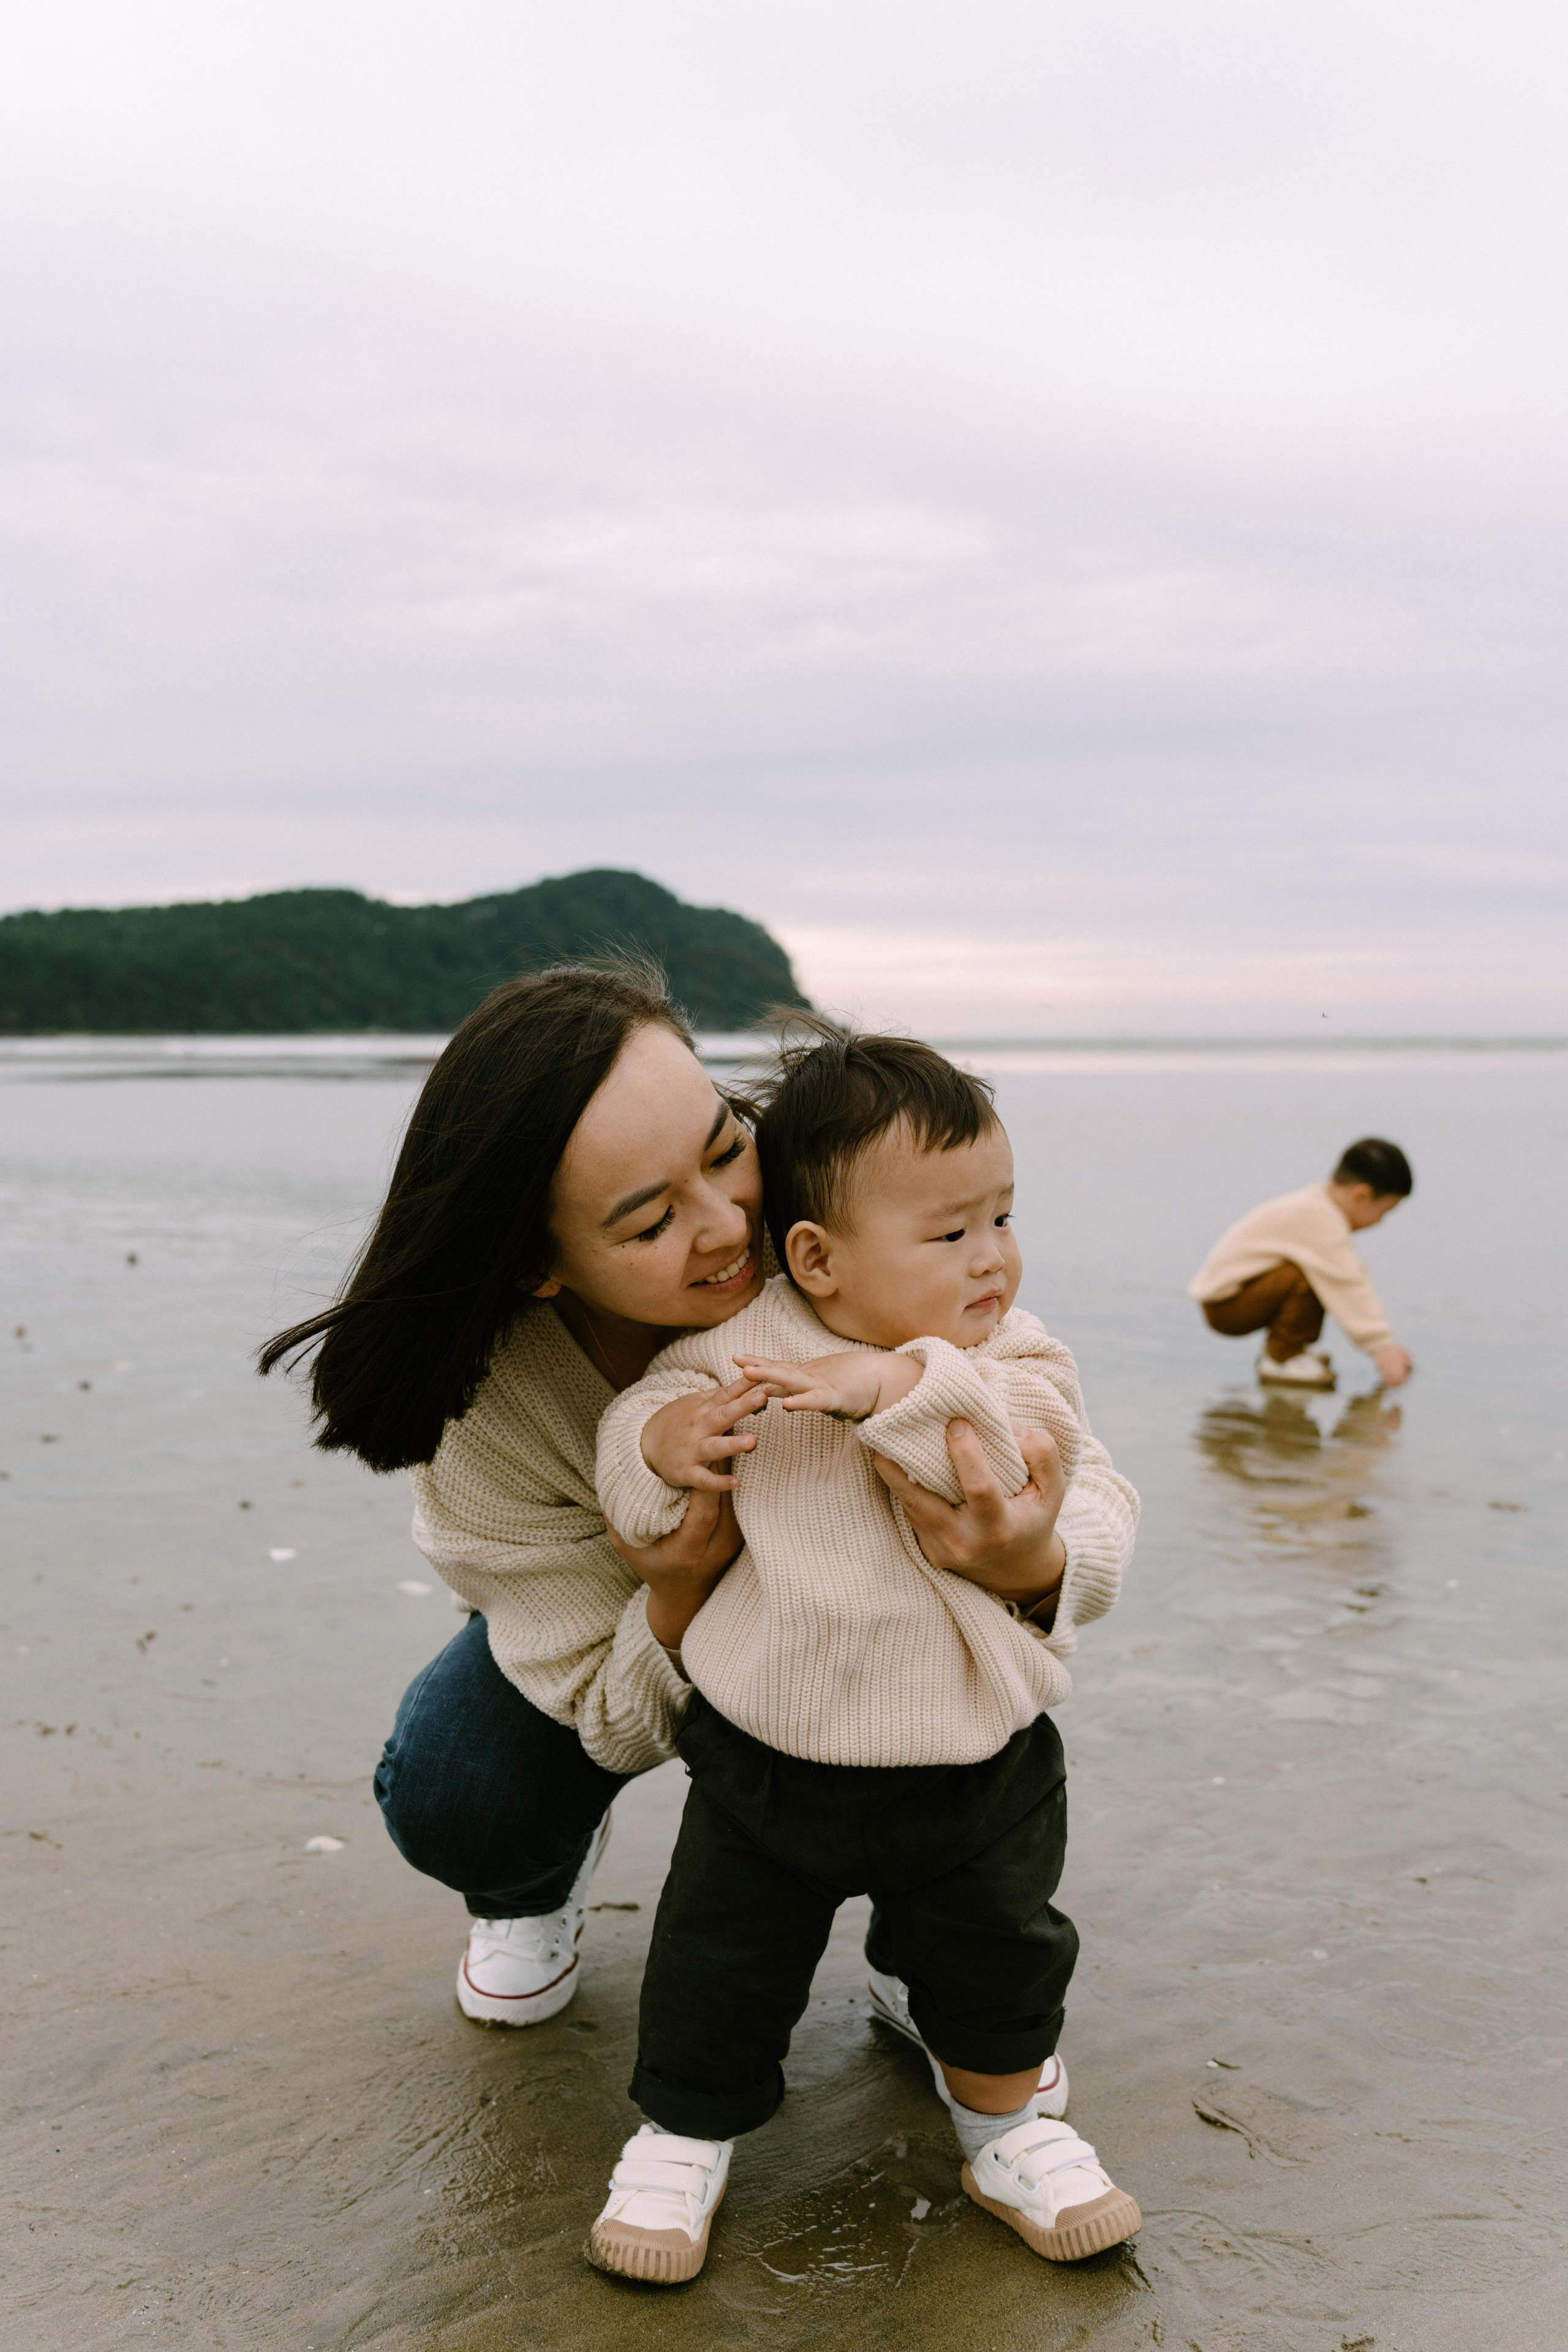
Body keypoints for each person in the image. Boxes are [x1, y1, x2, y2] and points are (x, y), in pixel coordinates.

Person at [258, 963, 1136, 2103]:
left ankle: (935, 1963)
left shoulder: (838, 1217)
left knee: (968, 1809)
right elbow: (602, 1707)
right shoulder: (486, 1421)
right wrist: (675, 1595)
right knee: (456, 1787)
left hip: (874, 1644)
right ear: (534, 1261)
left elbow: (1068, 1446)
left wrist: (1038, 1566)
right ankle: (532, 1892)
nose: (730, 1229)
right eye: (650, 1218)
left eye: (726, 1151)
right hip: (636, 1633)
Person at [585, 1027, 1141, 2283]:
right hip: (767, 1759)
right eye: (949, 1234)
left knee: (1000, 1958)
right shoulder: (742, 1352)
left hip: (971, 1763)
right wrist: (663, 1439)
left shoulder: (1011, 1357)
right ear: (816, 1257)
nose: (991, 1257)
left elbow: (1025, 1458)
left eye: (1002, 1216)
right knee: (715, 1966)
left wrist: (891, 1381)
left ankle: (1008, 2128)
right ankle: (682, 2138)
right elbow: (625, 1436)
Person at [1188, 1137, 1415, 1390]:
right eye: (1382, 1212)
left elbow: (1350, 1274)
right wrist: (1380, 1344)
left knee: (1316, 1271)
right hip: (1227, 1306)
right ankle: (1282, 1359)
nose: (1379, 1222)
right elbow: (1348, 1282)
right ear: (1360, 1196)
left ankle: (1287, 1352)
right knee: (1308, 1276)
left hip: (1231, 1298)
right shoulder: (1319, 1218)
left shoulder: (1316, 1204)